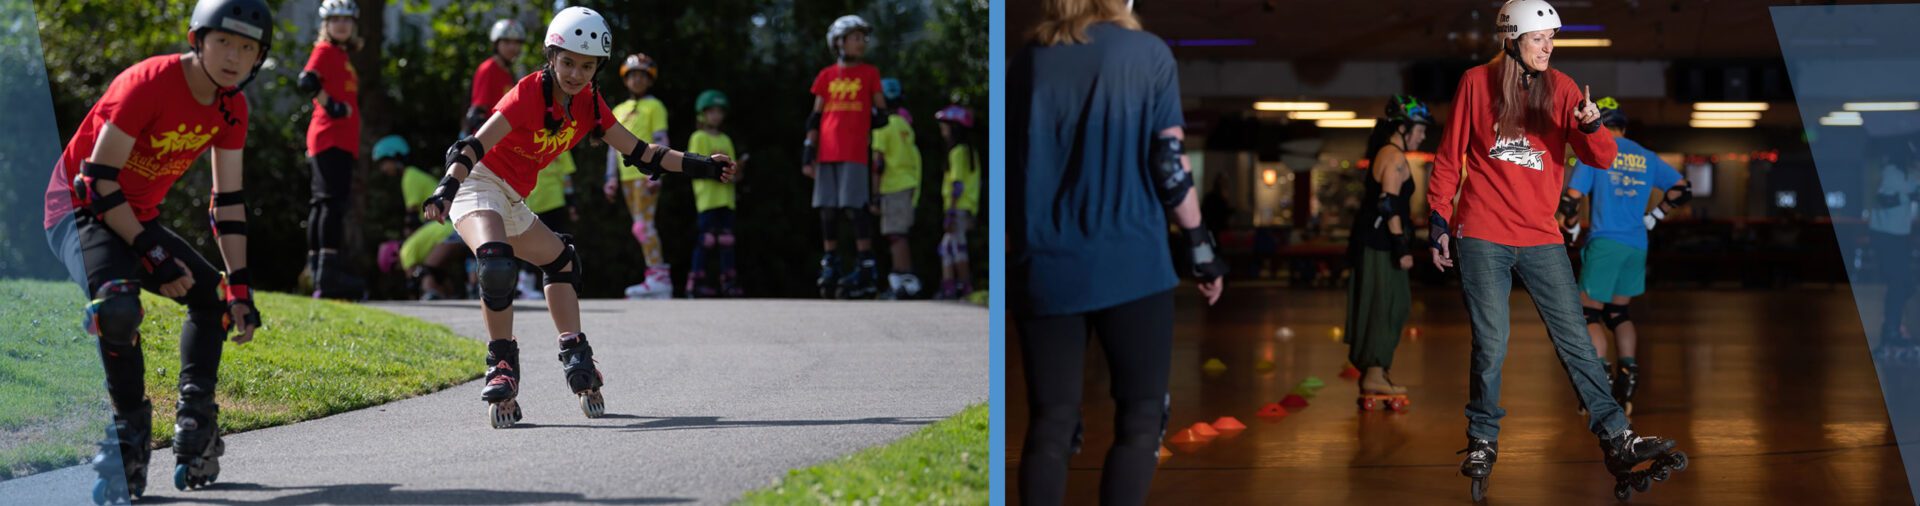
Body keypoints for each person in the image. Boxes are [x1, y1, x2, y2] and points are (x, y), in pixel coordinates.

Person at [419, 6, 733, 429]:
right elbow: (473, 146)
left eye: (587, 66)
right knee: (495, 261)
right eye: (567, 62)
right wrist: (446, 188)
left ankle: (576, 354)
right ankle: (501, 364)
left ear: (598, 68)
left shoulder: (590, 105)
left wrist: (701, 165)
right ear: (551, 56)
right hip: (476, 184)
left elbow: (641, 153)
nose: (575, 74)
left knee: (562, 260)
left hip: (512, 198)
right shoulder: (528, 92)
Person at [1427, 1, 1685, 500]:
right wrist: (1439, 218)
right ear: (1512, 38)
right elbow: (1448, 156)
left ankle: (1616, 435)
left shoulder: (1563, 89)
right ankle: (1483, 436)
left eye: (1552, 38)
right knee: (1492, 341)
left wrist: (1590, 125)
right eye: (1539, 37)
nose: (1549, 46)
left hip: (1541, 237)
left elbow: (1604, 159)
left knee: (1577, 341)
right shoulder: (1475, 84)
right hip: (1482, 231)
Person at [39, 0, 273, 499]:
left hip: (135, 216)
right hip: (77, 211)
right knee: (118, 308)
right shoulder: (148, 83)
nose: (234, 56)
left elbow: (227, 203)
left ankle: (196, 422)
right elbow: (96, 183)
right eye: (224, 42)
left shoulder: (233, 106)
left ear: (258, 58)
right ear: (197, 39)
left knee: (215, 298)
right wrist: (155, 255)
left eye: (247, 48)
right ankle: (128, 434)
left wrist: (242, 287)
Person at [1011, 0, 1227, 503]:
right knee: (1141, 416)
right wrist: (1200, 247)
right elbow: (1169, 165)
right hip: (1131, 265)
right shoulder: (1147, 53)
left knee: (1051, 423)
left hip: (1043, 266)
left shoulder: (1027, 59)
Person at [1559, 97, 1690, 416]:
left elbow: (1571, 201)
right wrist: (1656, 215)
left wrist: (1572, 230)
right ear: (1624, 126)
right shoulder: (1645, 156)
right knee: (1619, 314)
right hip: (1636, 244)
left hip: (1605, 244)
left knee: (1589, 314)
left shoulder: (1595, 153)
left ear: (1599, 125)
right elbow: (1682, 189)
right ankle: (1628, 379)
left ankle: (1598, 380)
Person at [1344, 94, 1432, 411]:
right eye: (1419, 129)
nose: (1422, 135)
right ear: (1403, 127)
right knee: (1390, 304)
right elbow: (1388, 204)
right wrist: (1401, 247)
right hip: (1382, 244)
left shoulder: (1385, 152)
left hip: (1371, 241)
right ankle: (1374, 372)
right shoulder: (1394, 156)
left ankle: (1375, 371)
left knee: (1382, 302)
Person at [804, 14, 890, 299]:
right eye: (856, 37)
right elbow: (816, 116)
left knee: (855, 208)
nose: (861, 42)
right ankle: (831, 262)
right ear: (839, 42)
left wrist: (878, 117)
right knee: (827, 208)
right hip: (827, 151)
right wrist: (808, 149)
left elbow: (881, 109)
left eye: (863, 38)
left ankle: (865, 262)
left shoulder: (870, 72)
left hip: (854, 151)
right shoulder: (826, 75)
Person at [298, 0, 366, 299]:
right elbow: (307, 80)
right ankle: (326, 276)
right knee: (331, 204)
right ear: (326, 25)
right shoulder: (325, 50)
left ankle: (319, 272)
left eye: (347, 20)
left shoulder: (342, 55)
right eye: (335, 20)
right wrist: (333, 106)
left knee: (324, 203)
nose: (342, 25)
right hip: (330, 138)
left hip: (338, 141)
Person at [608, 53, 674, 299]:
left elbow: (661, 139)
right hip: (626, 178)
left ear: (649, 80)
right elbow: (611, 149)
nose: (637, 80)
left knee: (643, 226)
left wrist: (658, 171)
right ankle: (655, 275)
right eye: (632, 75)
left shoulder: (654, 106)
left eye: (642, 76)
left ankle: (659, 276)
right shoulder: (618, 109)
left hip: (646, 175)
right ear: (626, 80)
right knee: (640, 227)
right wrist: (610, 178)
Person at [374, 135, 465, 300]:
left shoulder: (410, 177)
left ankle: (432, 294)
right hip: (449, 224)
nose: (383, 169)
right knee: (436, 271)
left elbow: (412, 217)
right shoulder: (414, 174)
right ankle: (448, 295)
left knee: (424, 271)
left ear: (395, 157)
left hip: (445, 223)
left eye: (384, 163)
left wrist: (409, 239)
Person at [687, 89, 745, 297]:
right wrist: (718, 171)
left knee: (727, 240)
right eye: (711, 111)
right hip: (708, 199)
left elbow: (733, 168)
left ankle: (728, 281)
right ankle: (695, 282)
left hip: (726, 199)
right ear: (702, 113)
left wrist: (735, 173)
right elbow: (694, 166)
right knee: (707, 240)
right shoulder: (699, 137)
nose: (716, 116)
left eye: (719, 111)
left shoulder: (726, 139)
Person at [871, 77, 925, 299]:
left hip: (892, 186)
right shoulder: (904, 124)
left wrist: (874, 194)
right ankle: (904, 278)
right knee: (899, 234)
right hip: (908, 184)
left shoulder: (882, 127)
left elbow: (878, 163)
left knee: (896, 235)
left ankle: (902, 279)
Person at [516, 150, 580, 300]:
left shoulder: (563, 144)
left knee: (559, 245)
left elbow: (566, 175)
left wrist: (571, 202)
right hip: (534, 202)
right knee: (533, 243)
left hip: (555, 201)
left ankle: (561, 284)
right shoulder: (531, 142)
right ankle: (524, 284)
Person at [935, 103, 980, 299]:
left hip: (958, 208)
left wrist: (951, 213)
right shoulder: (969, 152)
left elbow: (957, 185)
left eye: (945, 125)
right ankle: (950, 286)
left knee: (957, 247)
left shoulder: (958, 152)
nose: (942, 129)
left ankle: (963, 286)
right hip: (965, 208)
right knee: (947, 248)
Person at [466, 18, 525, 135]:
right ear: (496, 43)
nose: (512, 47)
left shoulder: (509, 73)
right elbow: (477, 115)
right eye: (507, 42)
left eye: (516, 42)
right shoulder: (488, 69)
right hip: (487, 144)